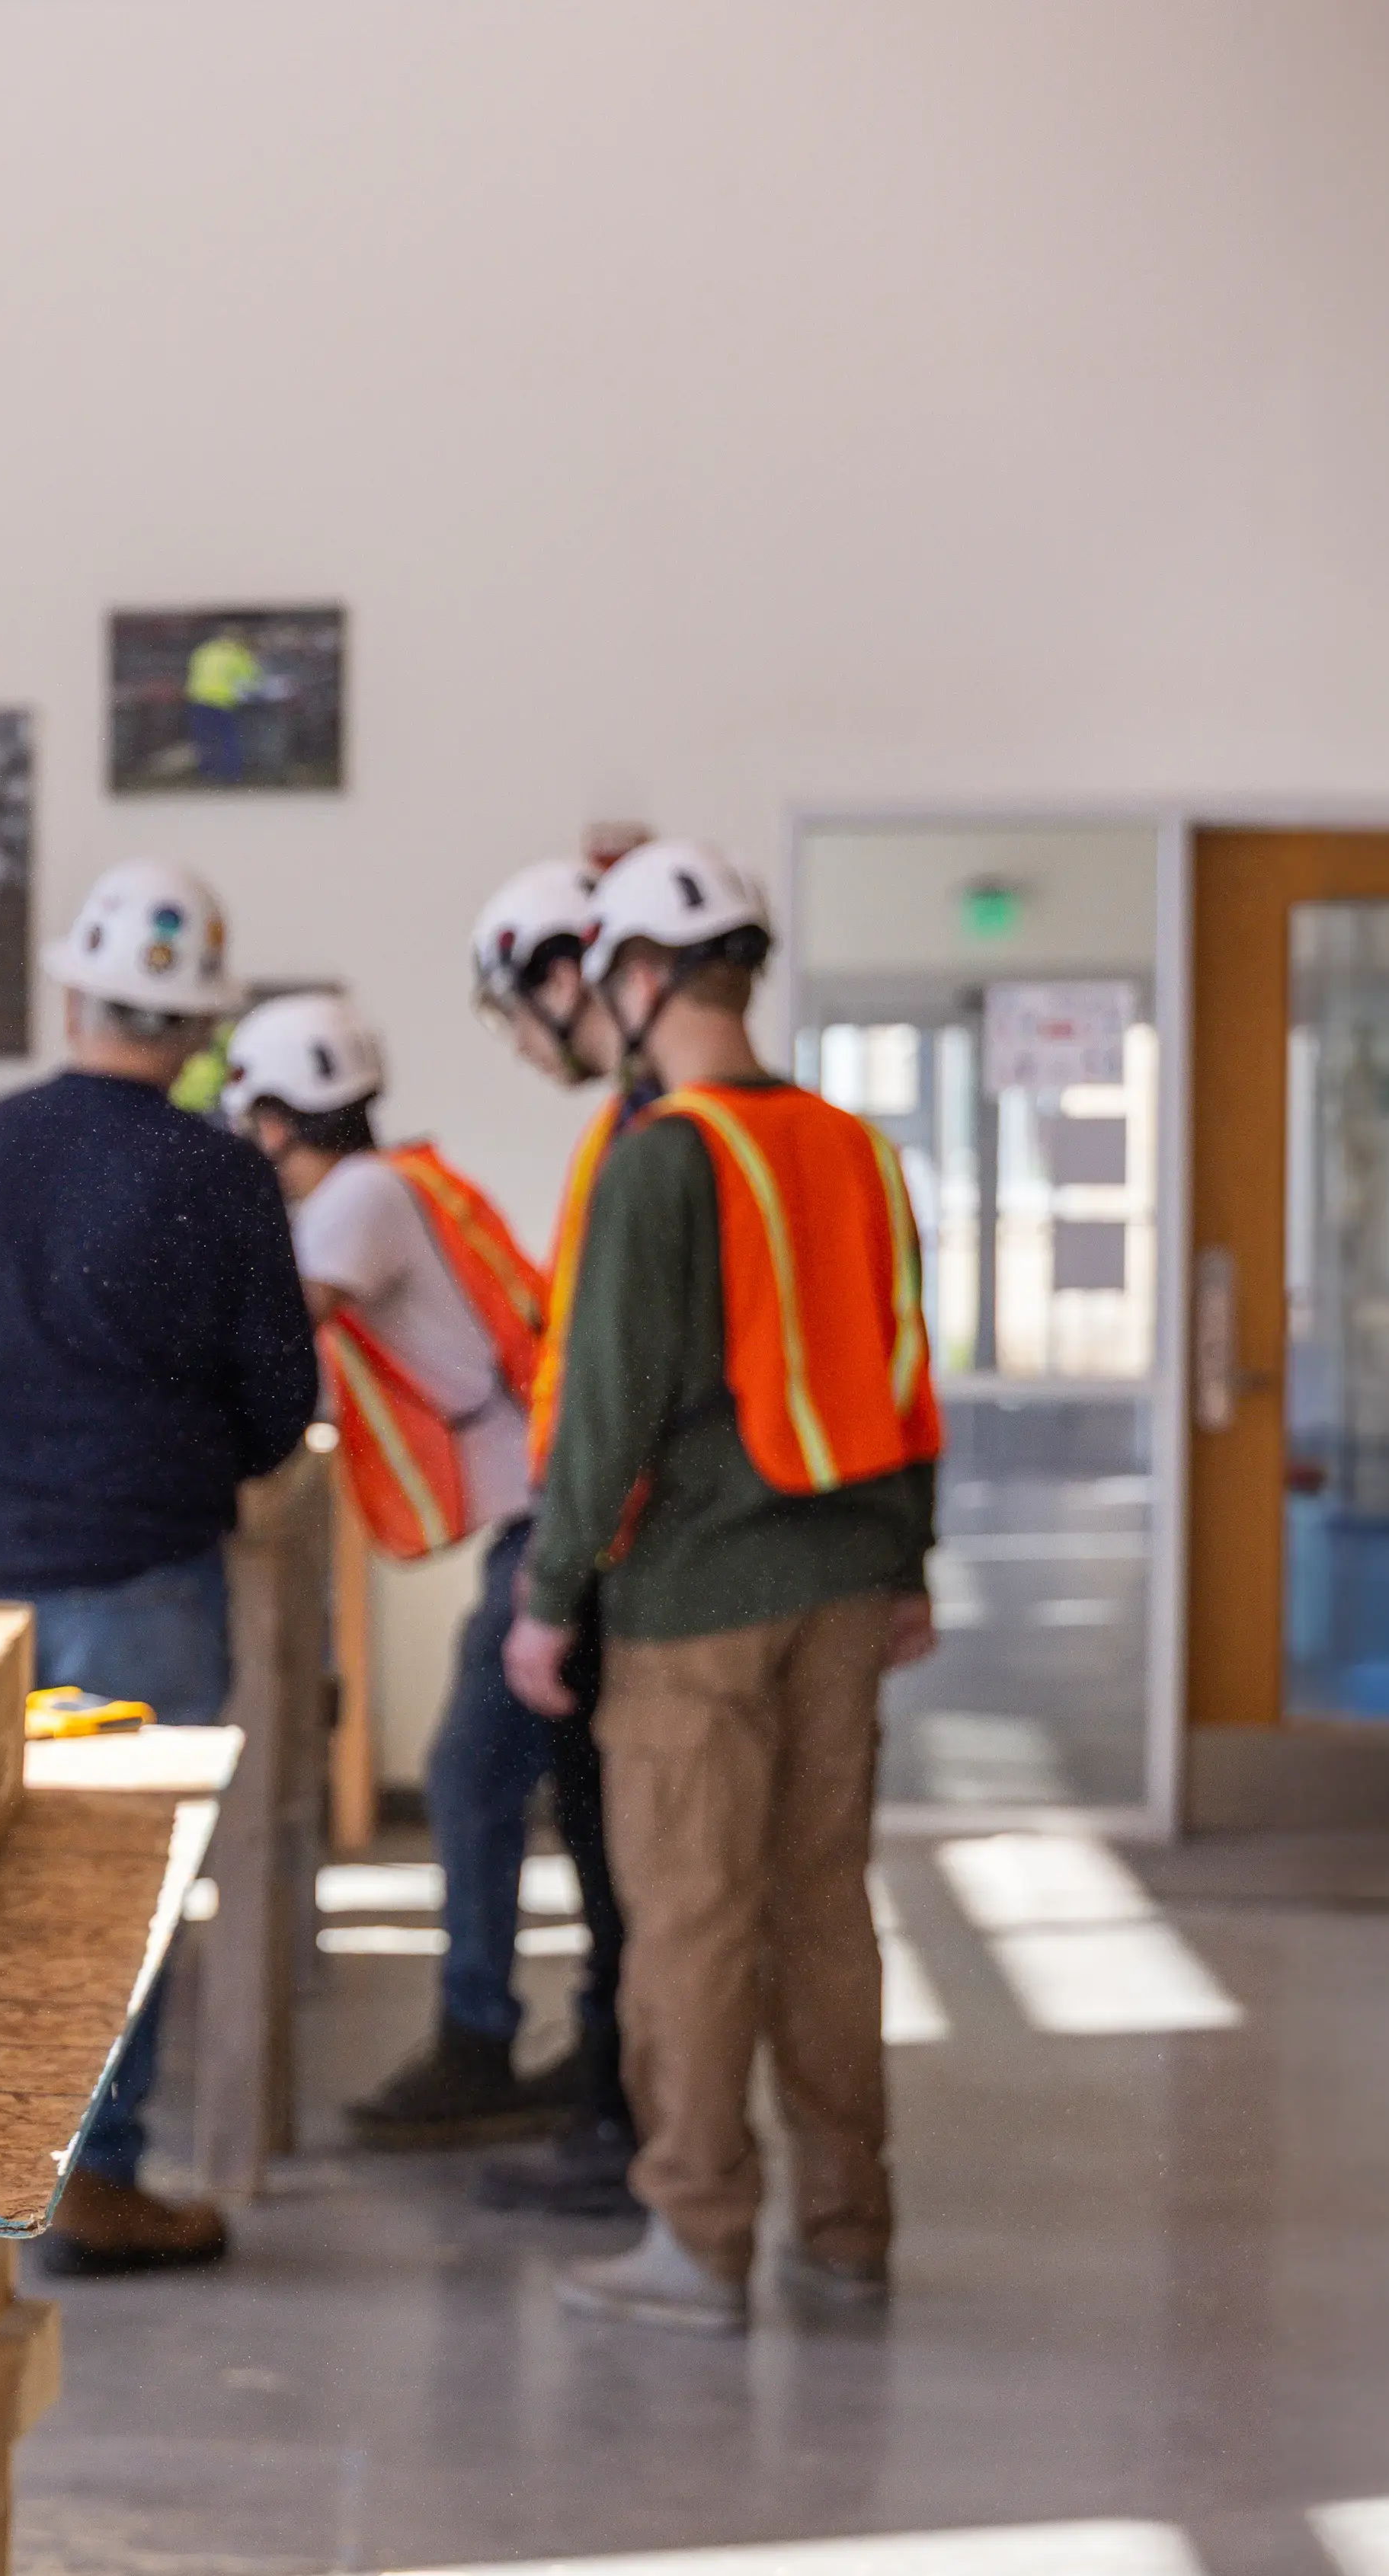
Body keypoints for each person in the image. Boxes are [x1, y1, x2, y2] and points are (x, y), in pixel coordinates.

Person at [502, 836, 943, 2337]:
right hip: (842, 1581)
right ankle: (846, 2227)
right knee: (822, 1910)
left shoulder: (659, 1159)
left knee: (688, 1918)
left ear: (636, 978)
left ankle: (694, 2232)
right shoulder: (852, 1146)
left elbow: (604, 1410)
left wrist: (548, 1596)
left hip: (693, 1602)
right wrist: (909, 1561)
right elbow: (899, 1369)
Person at [0, 855, 318, 2274]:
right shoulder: (226, 1171)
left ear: (73, 990)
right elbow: (275, 1406)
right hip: (145, 1573)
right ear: (197, 1029)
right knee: (123, 1887)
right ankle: (98, 2177)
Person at [331, 865, 655, 2218]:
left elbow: (618, 1371)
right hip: (579, 1518)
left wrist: (562, 1578)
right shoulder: (617, 1131)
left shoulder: (647, 1131)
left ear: (565, 974)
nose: (523, 1045)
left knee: (523, 1786)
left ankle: (579, 2072)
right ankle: (598, 2066)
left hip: (580, 1525)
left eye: (516, 1011)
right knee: (568, 1801)